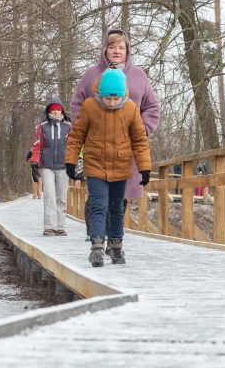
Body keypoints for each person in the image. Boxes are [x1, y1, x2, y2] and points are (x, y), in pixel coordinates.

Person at [71, 28, 161, 246]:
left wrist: (143, 130)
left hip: (126, 149)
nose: (117, 51)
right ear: (105, 50)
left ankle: (114, 239)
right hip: (97, 149)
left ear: (127, 50)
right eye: (112, 47)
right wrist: (83, 133)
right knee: (98, 197)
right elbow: (76, 105)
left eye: (121, 47)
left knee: (120, 198)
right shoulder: (92, 74)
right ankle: (96, 235)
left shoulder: (138, 76)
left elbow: (152, 107)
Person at [66, 68, 152, 267]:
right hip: (95, 165)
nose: (112, 103)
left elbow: (139, 140)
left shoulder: (130, 109)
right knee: (99, 205)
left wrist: (144, 167)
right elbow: (76, 136)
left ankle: (116, 247)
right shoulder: (89, 107)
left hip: (121, 166)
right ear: (100, 95)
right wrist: (71, 161)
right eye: (107, 99)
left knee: (116, 208)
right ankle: (96, 246)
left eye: (116, 99)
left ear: (123, 95)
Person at [32, 97, 71, 236]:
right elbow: (37, 145)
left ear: (61, 110)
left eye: (58, 109)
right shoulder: (43, 126)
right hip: (47, 165)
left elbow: (74, 146)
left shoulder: (69, 126)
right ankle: (49, 226)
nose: (55, 111)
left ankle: (61, 226)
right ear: (49, 110)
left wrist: (75, 164)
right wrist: (34, 161)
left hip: (64, 165)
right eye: (53, 109)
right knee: (49, 195)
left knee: (61, 197)